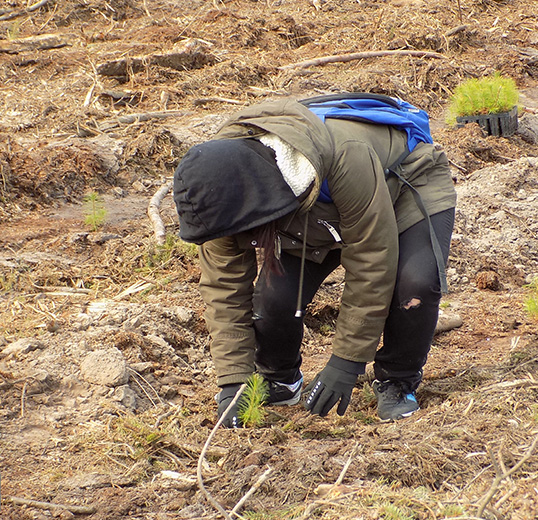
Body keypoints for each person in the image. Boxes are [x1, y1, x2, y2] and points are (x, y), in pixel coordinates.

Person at [172, 95, 456, 427]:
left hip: (402, 186)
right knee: (274, 300)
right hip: (311, 213)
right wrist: (234, 384)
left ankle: (397, 379)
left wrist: (346, 362)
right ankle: (280, 378)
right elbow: (224, 291)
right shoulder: (219, 193)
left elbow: (371, 259)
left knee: (415, 286)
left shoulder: (345, 154)